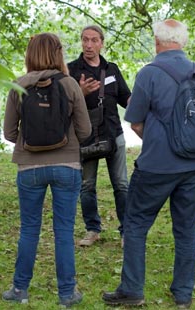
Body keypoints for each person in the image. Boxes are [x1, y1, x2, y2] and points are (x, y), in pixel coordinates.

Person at [102, 19, 195, 308]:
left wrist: (156, 137)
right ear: (183, 41)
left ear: (156, 41)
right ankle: (183, 293)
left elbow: (135, 120)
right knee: (186, 229)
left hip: (157, 165)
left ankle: (132, 290)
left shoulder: (149, 73)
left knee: (136, 223)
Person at [2, 33, 91, 307]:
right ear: (58, 54)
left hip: (29, 167)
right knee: (64, 231)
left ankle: (19, 290)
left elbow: (9, 133)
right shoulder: (70, 85)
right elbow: (85, 131)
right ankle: (66, 293)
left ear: (30, 54)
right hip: (67, 166)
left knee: (29, 228)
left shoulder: (18, 85)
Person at [67, 25, 132, 246]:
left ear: (101, 43)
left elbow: (127, 99)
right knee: (87, 186)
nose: (88, 45)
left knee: (122, 184)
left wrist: (146, 107)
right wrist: (80, 92)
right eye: (85, 40)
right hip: (85, 136)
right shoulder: (71, 70)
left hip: (114, 134)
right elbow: (63, 106)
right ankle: (92, 230)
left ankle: (126, 232)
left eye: (94, 40)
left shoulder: (111, 69)